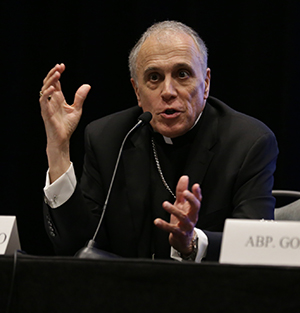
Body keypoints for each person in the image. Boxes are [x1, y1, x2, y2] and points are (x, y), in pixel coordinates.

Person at [40, 21, 278, 262]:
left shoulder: (249, 142)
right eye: (154, 77)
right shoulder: (109, 139)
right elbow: (77, 249)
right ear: (137, 91)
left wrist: (191, 242)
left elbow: (256, 247)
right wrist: (58, 149)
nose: (168, 91)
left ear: (205, 84)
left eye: (182, 74)